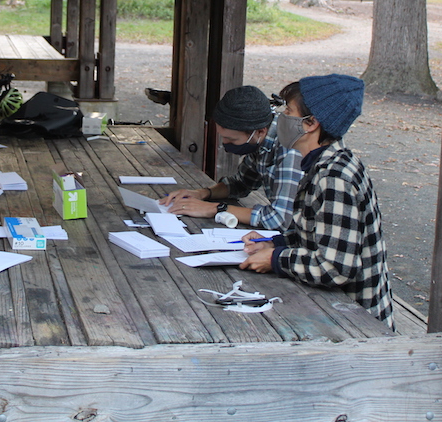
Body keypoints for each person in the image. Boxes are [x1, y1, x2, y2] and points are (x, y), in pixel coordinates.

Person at [239, 74, 394, 330]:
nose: (282, 117)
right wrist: (272, 242)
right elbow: (318, 234)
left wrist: (275, 259)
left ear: (310, 123)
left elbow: (335, 267)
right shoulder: (323, 163)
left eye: (288, 110)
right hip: (335, 313)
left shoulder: (335, 178)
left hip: (358, 324)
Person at [159, 85, 302, 230]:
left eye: (232, 140)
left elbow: (280, 219)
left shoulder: (290, 148)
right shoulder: (259, 140)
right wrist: (202, 193)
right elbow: (240, 183)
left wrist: (215, 208)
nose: (225, 143)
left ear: (259, 132)